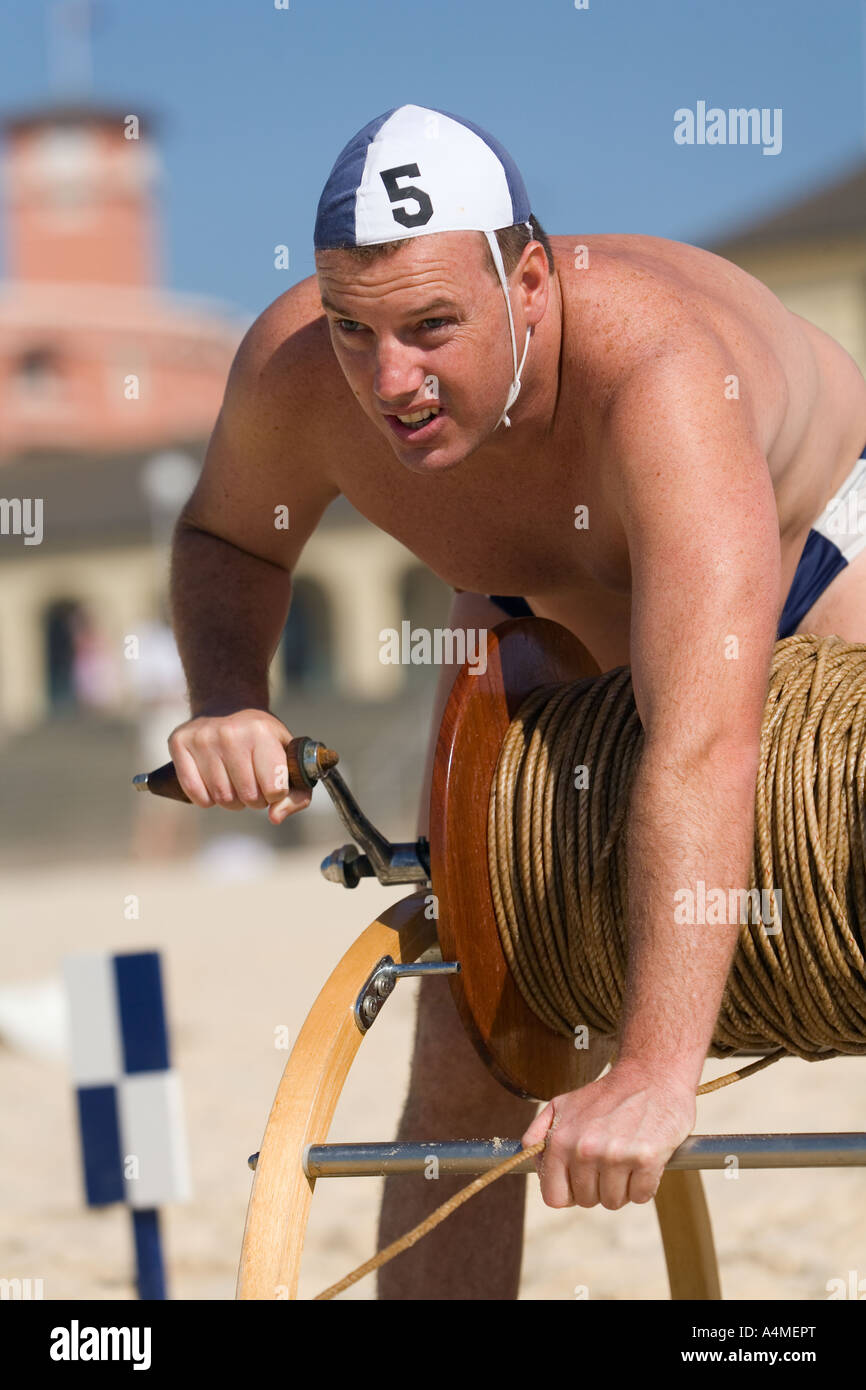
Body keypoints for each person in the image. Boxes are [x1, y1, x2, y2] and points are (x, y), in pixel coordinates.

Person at [167, 104, 866, 1299]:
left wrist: (650, 1066)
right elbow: (231, 532)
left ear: (528, 280)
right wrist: (229, 696)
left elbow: (698, 741)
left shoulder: (658, 377)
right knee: (469, 1041)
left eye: (431, 325)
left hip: (813, 552)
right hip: (534, 600)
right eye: (353, 329)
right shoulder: (297, 371)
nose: (391, 381)